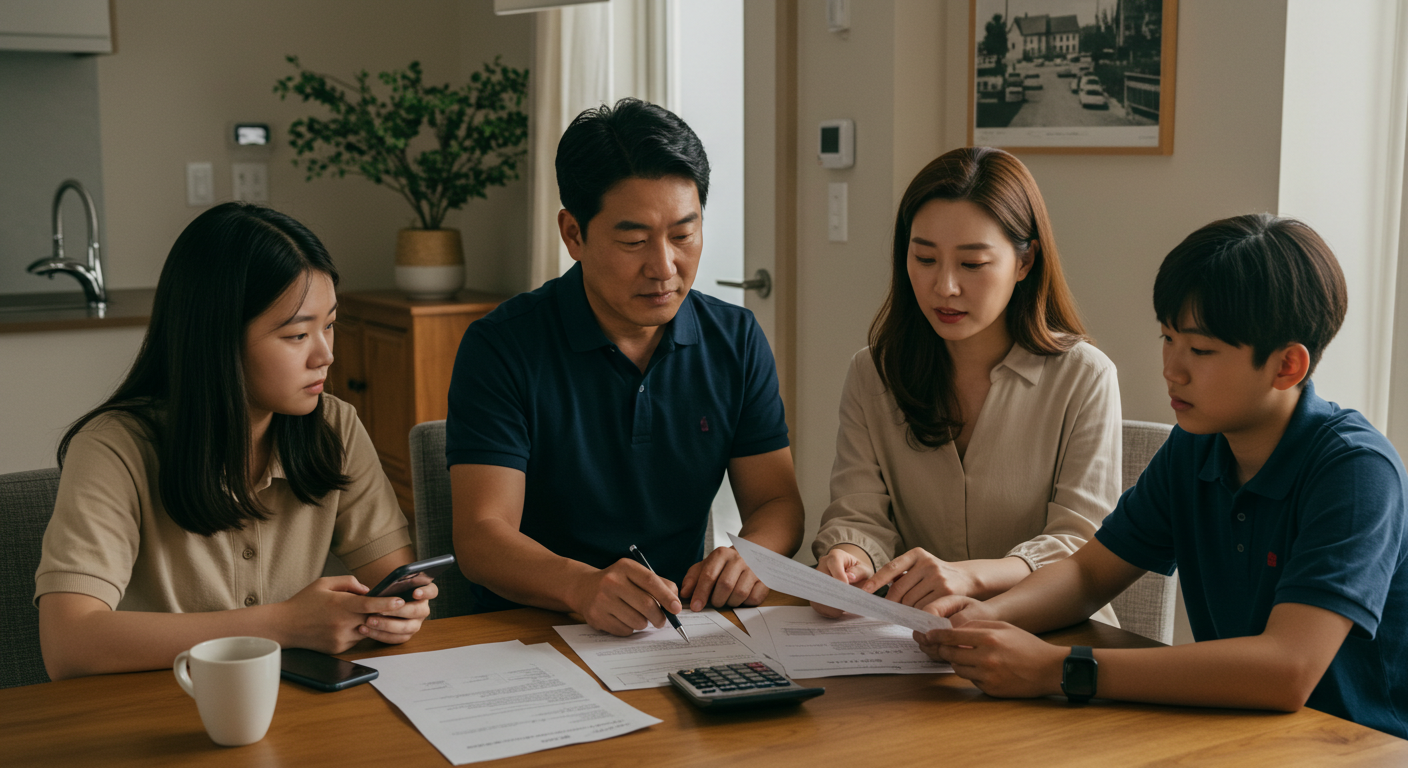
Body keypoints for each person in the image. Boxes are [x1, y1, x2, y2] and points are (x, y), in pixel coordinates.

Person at [916, 215, 1408, 739]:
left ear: (1287, 365)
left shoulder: (1355, 472)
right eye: (1167, 338)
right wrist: (986, 618)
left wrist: (1056, 668)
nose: (1172, 369)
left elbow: (1287, 669)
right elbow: (1088, 574)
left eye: (1200, 350)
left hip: (1353, 746)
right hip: (1239, 734)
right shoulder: (1196, 446)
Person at [447, 98, 804, 636]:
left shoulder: (735, 339)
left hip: (679, 626)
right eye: (634, 241)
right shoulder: (502, 346)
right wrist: (580, 586)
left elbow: (778, 502)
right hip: (529, 631)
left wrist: (754, 555)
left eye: (683, 235)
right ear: (573, 234)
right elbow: (481, 535)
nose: (664, 268)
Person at [36, 203, 437, 681]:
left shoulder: (336, 426)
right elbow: (68, 643)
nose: (325, 355)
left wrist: (400, 611)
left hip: (296, 710)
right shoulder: (112, 449)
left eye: (329, 324)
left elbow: (391, 578)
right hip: (156, 713)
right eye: (296, 335)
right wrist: (283, 625)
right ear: (217, 340)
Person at [811, 147, 1120, 625]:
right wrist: (851, 556)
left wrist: (971, 577)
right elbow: (859, 514)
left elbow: (1079, 544)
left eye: (972, 264)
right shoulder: (873, 373)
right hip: (916, 641)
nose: (945, 287)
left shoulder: (1084, 376)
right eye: (925, 258)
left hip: (1053, 636)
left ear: (1024, 261)